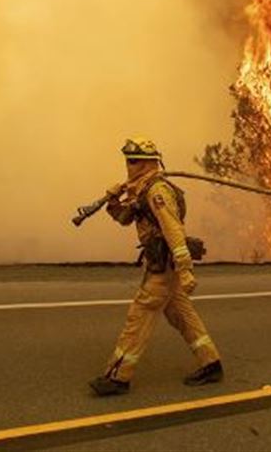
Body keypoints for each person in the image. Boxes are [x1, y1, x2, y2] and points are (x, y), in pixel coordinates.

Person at [88, 137, 223, 396]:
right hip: (160, 263)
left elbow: (174, 231)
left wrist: (185, 269)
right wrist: (113, 201)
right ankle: (211, 363)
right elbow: (126, 219)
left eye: (135, 160)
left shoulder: (157, 191)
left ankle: (117, 377)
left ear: (150, 162)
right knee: (180, 313)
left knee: (139, 316)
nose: (129, 165)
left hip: (166, 266)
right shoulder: (140, 189)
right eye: (128, 160)